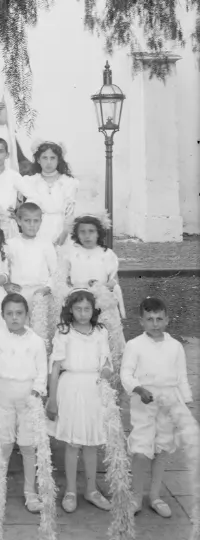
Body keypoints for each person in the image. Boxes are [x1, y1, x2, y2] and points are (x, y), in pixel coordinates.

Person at [120, 297, 193, 518]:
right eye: (150, 319)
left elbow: (181, 377)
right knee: (141, 449)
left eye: (159, 319)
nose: (155, 324)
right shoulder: (134, 345)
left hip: (168, 400)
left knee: (163, 447)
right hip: (145, 400)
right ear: (141, 321)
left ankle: (155, 495)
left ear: (167, 320)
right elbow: (126, 373)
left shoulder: (175, 346)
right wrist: (138, 389)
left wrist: (185, 404)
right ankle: (136, 496)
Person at [46, 290, 113, 514]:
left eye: (87, 309)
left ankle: (92, 490)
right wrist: (52, 399)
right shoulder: (64, 331)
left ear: (93, 310)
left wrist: (105, 371)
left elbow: (106, 361)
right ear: (70, 310)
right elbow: (55, 367)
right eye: (78, 309)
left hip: (93, 389)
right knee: (73, 442)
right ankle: (71, 491)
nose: (83, 313)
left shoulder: (100, 331)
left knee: (92, 442)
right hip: (71, 388)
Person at [0, 294, 49, 514]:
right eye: (9, 313)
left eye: (19, 313)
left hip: (28, 398)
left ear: (27, 315)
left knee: (27, 445)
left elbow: (42, 371)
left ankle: (30, 492)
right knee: (3, 444)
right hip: (4, 396)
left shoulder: (36, 341)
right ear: (2, 315)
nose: (14, 317)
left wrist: (36, 392)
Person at [5, 203, 57, 344]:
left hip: (40, 294)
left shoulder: (46, 244)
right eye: (27, 221)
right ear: (19, 221)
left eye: (36, 221)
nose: (32, 225)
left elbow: (55, 271)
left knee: (39, 332)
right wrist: (7, 284)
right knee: (19, 331)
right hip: (18, 293)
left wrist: (48, 287)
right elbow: (5, 269)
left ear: (41, 221)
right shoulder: (10, 244)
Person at [60, 215, 126, 318]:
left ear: (98, 233)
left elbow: (114, 279)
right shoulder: (71, 253)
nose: (87, 236)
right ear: (77, 234)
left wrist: (103, 287)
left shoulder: (106, 254)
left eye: (91, 231)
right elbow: (63, 277)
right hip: (78, 301)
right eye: (82, 232)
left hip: (101, 302)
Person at [21, 141, 78, 245]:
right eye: (44, 158)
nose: (48, 162)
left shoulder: (68, 182)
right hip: (36, 229)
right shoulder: (30, 181)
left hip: (60, 229)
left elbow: (70, 213)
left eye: (52, 158)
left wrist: (64, 233)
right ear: (38, 160)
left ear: (58, 160)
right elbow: (22, 208)